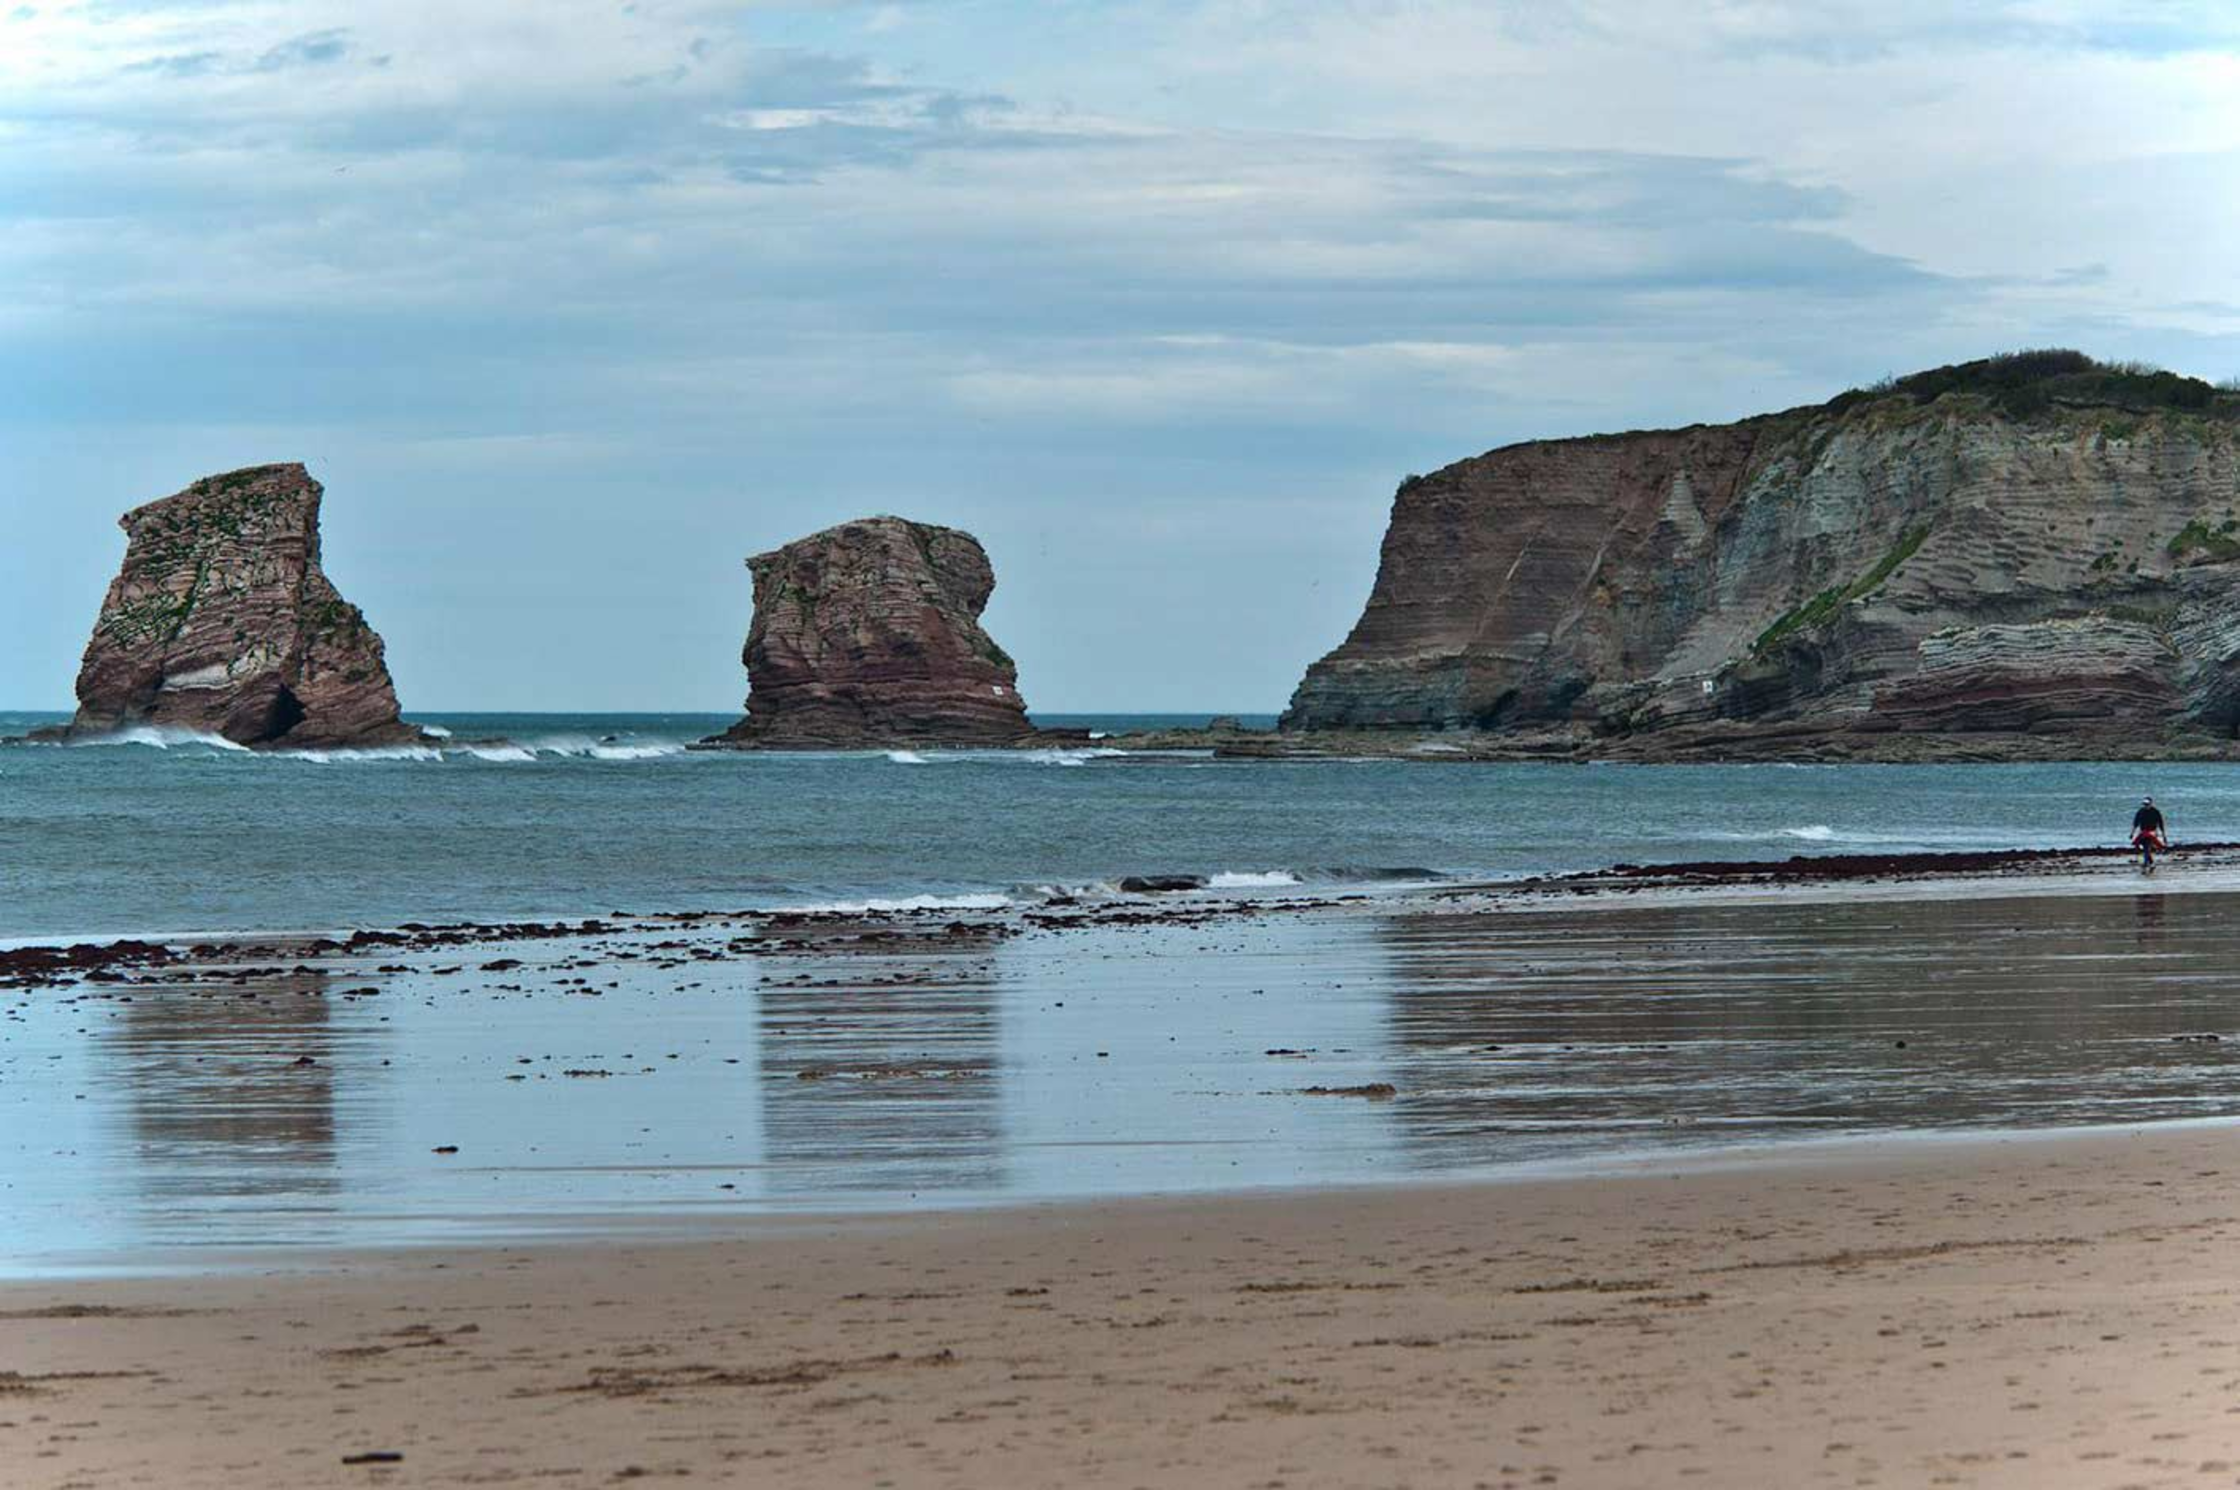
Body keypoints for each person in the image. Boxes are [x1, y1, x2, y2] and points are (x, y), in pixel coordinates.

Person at [2132, 796, 2168, 865]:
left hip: (2152, 832)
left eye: (2147, 804)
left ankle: (2146, 862)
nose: (2146, 806)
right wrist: (2132, 833)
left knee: (2147, 846)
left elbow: (2160, 823)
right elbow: (2136, 823)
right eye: (2145, 804)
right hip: (2143, 832)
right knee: (2145, 847)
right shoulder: (2140, 811)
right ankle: (2150, 861)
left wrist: (2163, 835)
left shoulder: (2155, 812)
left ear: (2151, 803)